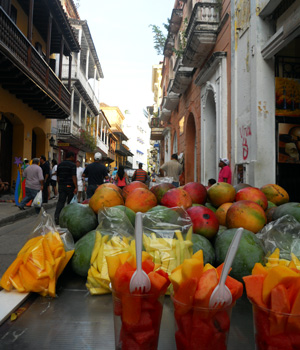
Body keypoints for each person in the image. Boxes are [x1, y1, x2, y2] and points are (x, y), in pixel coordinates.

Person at [54, 151, 77, 225]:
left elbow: (57, 177)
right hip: (70, 186)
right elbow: (73, 176)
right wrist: (76, 186)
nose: (73, 159)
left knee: (61, 202)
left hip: (62, 186)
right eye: (73, 157)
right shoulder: (73, 165)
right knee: (70, 203)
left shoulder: (60, 165)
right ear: (71, 157)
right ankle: (68, 218)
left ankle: (57, 217)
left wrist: (60, 184)